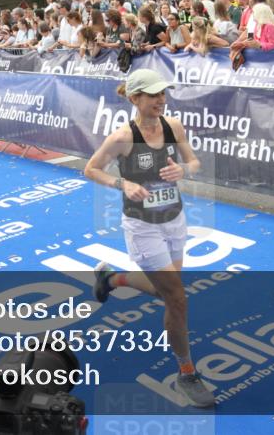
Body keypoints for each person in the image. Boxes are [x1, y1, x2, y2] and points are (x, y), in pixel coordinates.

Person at [83, 69, 215, 408]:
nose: (161, 99)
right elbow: (91, 168)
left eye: (163, 93)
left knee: (166, 291)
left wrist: (184, 170)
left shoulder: (174, 126)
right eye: (153, 94)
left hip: (175, 219)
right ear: (135, 98)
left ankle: (112, 279)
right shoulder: (123, 137)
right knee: (177, 298)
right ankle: (186, 372)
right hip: (143, 227)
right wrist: (122, 184)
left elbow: (195, 162)